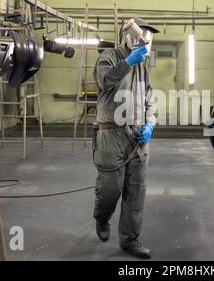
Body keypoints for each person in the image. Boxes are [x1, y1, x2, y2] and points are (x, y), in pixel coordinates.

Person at [92, 18, 159, 259]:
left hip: (139, 138)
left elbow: (150, 100)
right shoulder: (109, 56)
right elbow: (104, 81)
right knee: (110, 188)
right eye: (144, 37)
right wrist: (127, 62)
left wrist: (150, 125)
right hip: (111, 133)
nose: (147, 43)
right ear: (129, 37)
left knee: (136, 191)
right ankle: (102, 217)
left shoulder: (144, 67)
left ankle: (130, 240)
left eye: (150, 40)